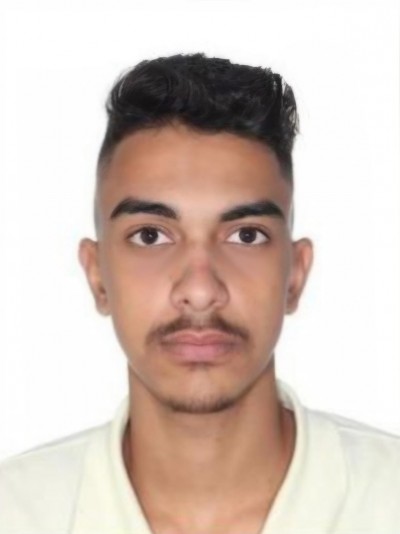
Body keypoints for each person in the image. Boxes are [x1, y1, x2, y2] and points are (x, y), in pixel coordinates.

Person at [0, 52, 399, 534]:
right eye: (150, 236)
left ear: (295, 275)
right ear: (97, 275)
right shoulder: (15, 512)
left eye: (246, 235)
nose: (200, 290)